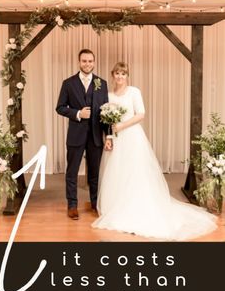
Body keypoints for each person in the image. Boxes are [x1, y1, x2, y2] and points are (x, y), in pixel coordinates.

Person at [92, 62, 217, 240]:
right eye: (117, 73)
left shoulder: (134, 92)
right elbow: (106, 121)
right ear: (112, 75)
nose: (120, 77)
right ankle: (115, 205)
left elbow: (141, 114)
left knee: (135, 171)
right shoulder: (108, 95)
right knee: (117, 171)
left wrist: (121, 126)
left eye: (123, 73)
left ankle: (136, 205)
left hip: (132, 136)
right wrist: (110, 137)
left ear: (127, 76)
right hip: (116, 139)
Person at [56, 49, 108, 220]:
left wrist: (108, 136)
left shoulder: (102, 83)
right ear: (79, 62)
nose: (87, 64)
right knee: (72, 172)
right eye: (84, 61)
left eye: (90, 61)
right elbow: (60, 107)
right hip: (75, 135)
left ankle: (95, 203)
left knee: (95, 172)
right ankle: (72, 205)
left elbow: (107, 112)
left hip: (95, 136)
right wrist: (78, 114)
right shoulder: (68, 83)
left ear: (94, 62)